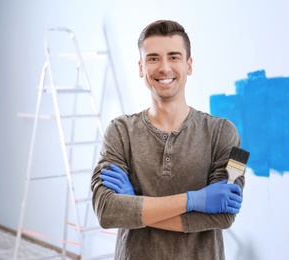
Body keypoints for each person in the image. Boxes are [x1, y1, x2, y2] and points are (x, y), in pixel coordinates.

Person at [91, 20, 244, 260]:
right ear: (141, 67)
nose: (164, 68)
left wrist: (135, 207)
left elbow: (225, 216)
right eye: (153, 58)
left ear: (189, 65)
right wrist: (194, 200)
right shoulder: (118, 131)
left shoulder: (225, 133)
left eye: (174, 57)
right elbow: (106, 212)